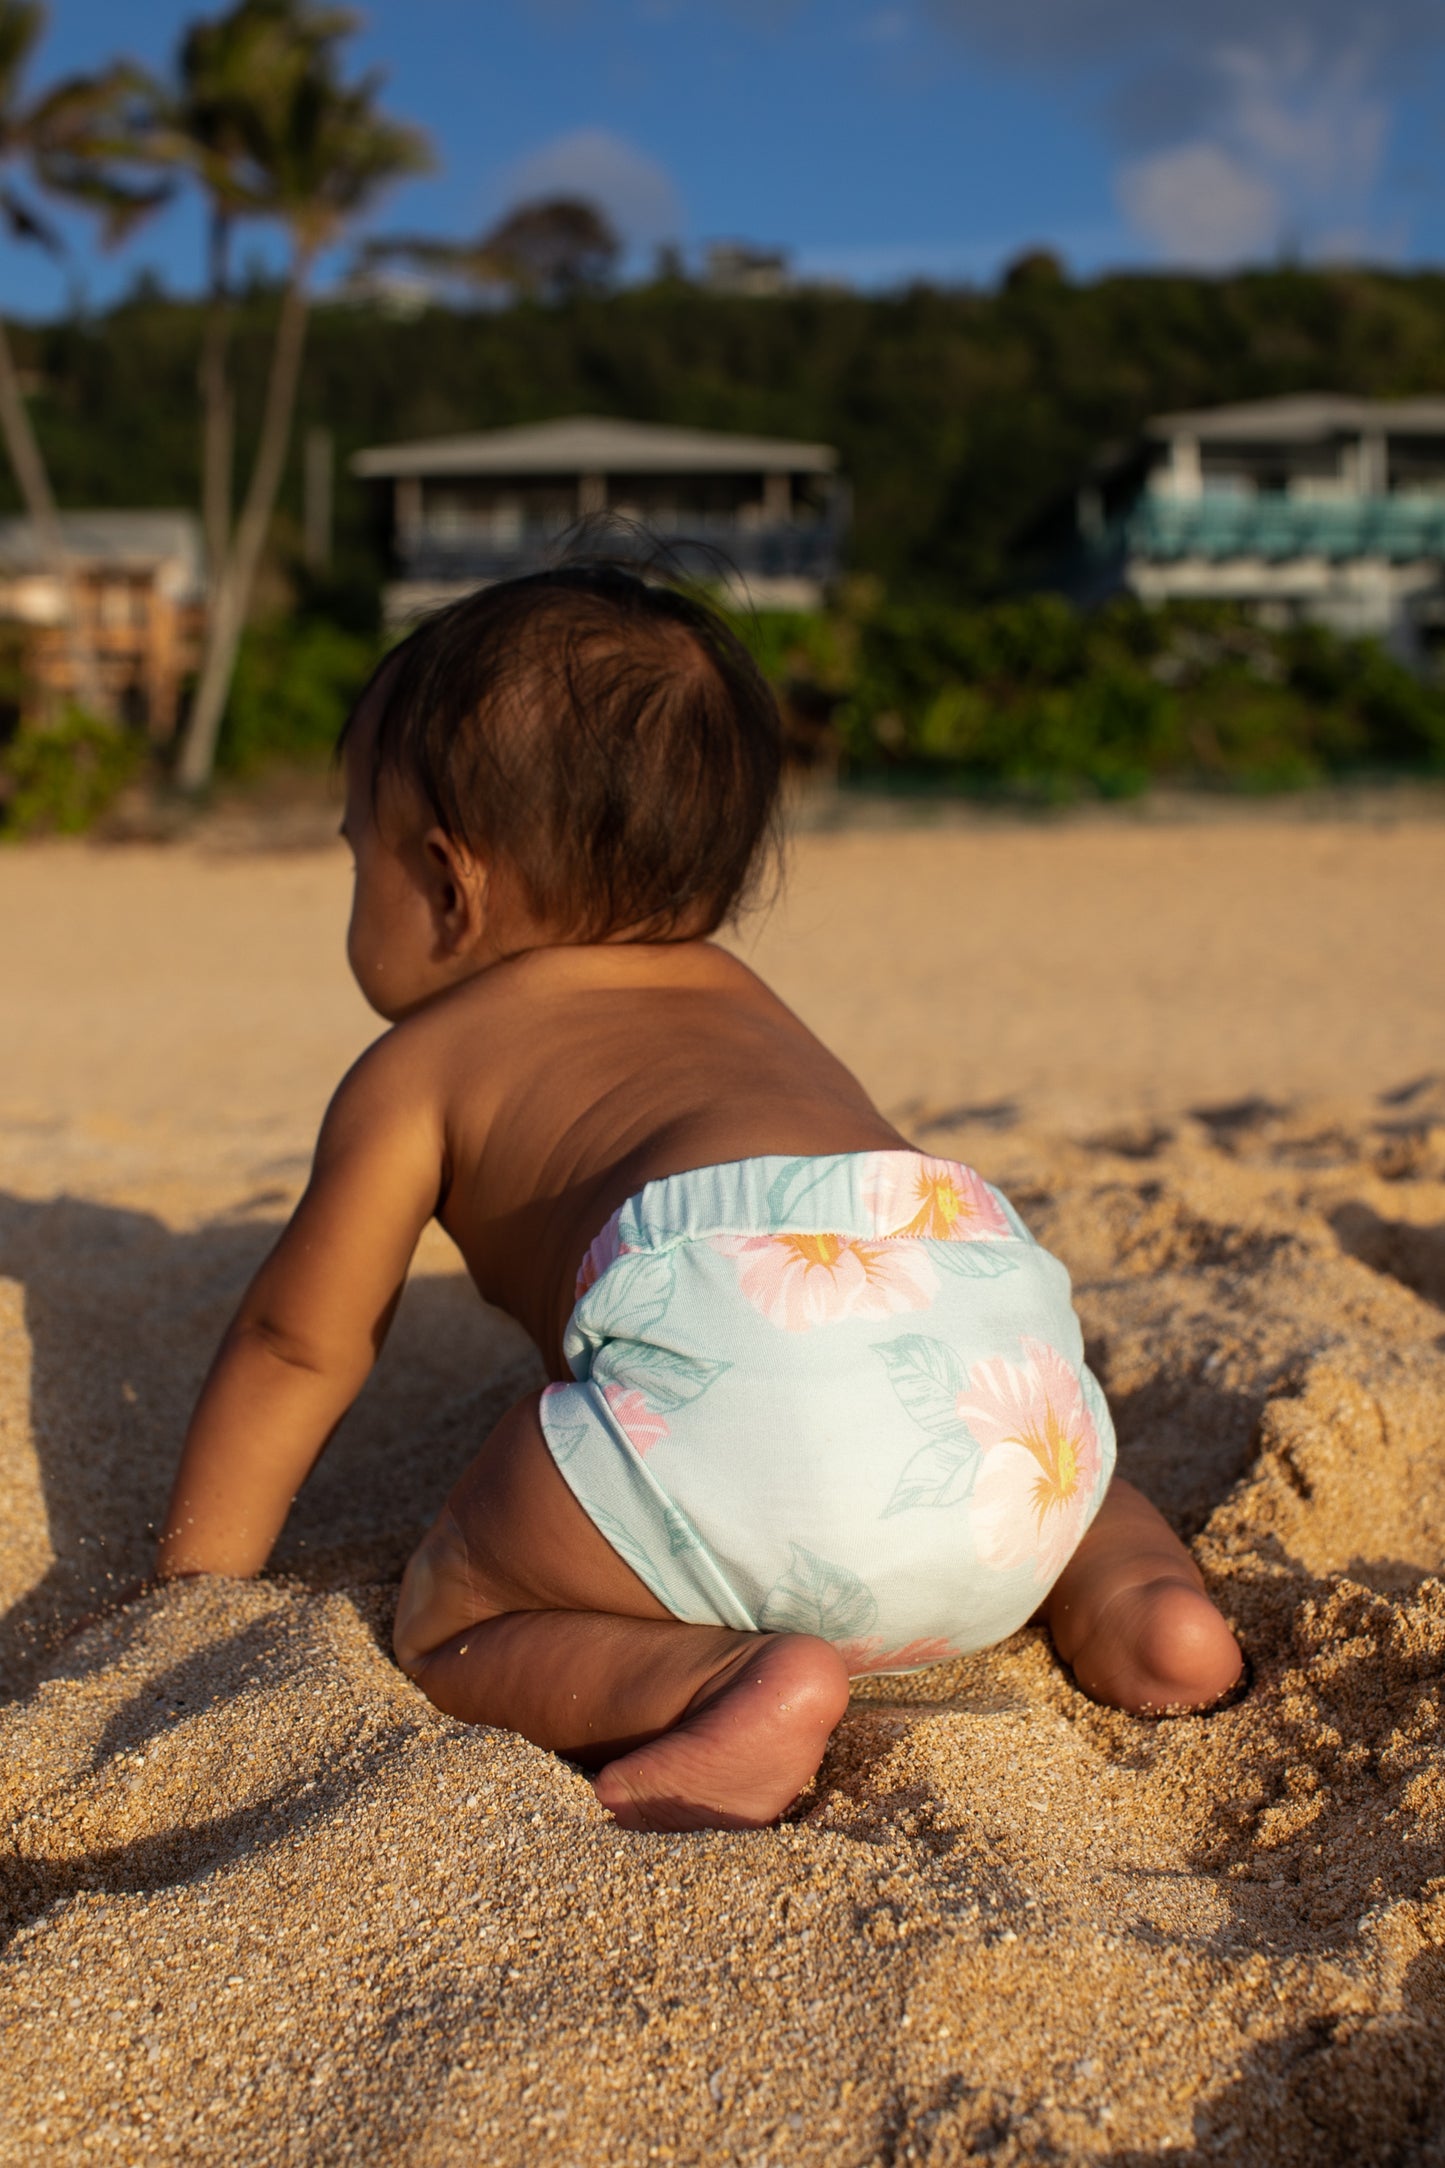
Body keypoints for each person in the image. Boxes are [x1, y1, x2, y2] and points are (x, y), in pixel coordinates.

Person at [158, 564, 1243, 1832]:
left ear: (450, 889)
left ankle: (736, 1681)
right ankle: (1140, 1604)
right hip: (982, 1308)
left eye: (359, 851)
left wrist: (192, 1588)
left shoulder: (417, 1069)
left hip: (747, 1379)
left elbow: (299, 1342)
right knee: (1001, 1426)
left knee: (450, 1603)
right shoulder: (742, 997)